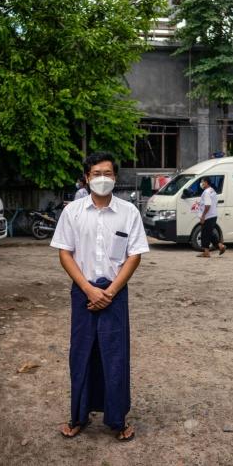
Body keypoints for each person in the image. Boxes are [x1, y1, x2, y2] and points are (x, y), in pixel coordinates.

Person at [50, 152, 149, 442]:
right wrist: (89, 289)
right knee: (81, 354)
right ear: (86, 178)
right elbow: (64, 253)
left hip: (115, 293)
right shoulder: (73, 212)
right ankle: (78, 416)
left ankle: (117, 419)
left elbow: (135, 255)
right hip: (83, 291)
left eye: (107, 173)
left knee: (115, 355)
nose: (102, 178)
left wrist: (111, 291)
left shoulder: (128, 212)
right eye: (96, 173)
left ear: (115, 178)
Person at [197, 177, 226, 258]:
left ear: (206, 182)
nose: (201, 184)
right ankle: (221, 246)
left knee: (205, 234)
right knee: (210, 234)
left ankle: (206, 253)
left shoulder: (206, 192)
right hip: (213, 215)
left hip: (208, 216)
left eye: (202, 182)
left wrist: (203, 216)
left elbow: (207, 205)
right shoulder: (212, 190)